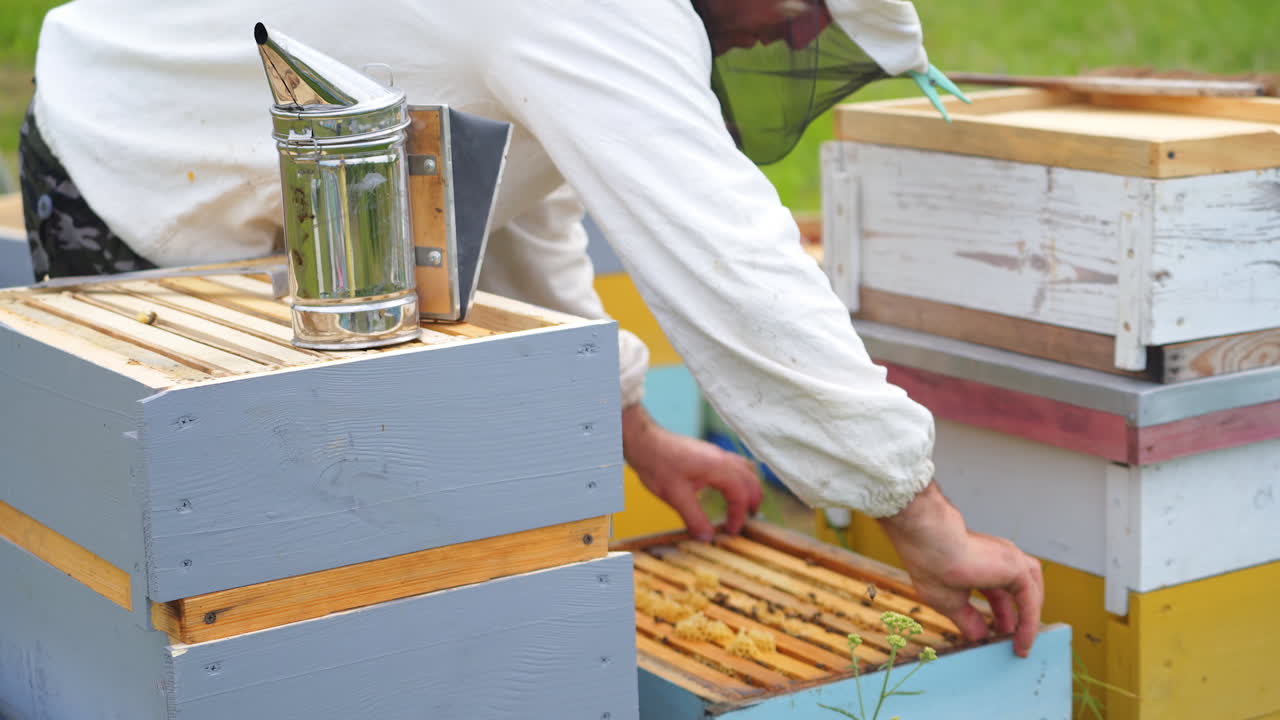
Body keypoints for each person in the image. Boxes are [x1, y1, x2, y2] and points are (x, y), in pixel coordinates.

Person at [23, 0, 1043, 655]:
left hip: (245, 182)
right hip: (140, 177)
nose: (793, 37)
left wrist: (633, 429)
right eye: (806, 8)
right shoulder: (596, 13)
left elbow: (514, 197)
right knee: (231, 592)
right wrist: (922, 519)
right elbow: (732, 259)